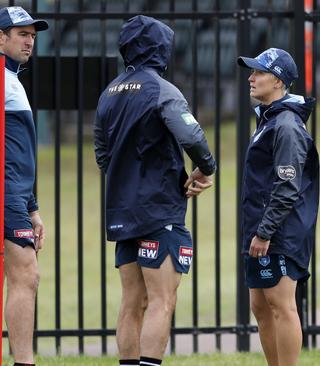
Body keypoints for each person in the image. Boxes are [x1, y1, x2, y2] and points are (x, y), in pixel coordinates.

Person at [94, 15, 216, 366]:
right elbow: (191, 135)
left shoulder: (108, 94)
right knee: (162, 300)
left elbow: (102, 154)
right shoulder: (162, 89)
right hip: (159, 209)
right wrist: (206, 168)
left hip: (122, 211)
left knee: (131, 301)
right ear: (160, 48)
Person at [237, 48, 319, 366]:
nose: (251, 77)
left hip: (280, 232)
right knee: (260, 304)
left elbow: (287, 187)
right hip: (263, 230)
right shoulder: (268, 122)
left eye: (258, 72)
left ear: (278, 80)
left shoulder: (285, 125)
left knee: (281, 305)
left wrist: (265, 230)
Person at [0, 6, 48, 366]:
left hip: (17, 196)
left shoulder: (13, 78)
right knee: (26, 275)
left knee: (26, 276)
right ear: (1, 38)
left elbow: (20, 151)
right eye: (21, 34)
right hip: (6, 194)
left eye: (32, 35)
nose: (29, 40)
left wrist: (32, 207)